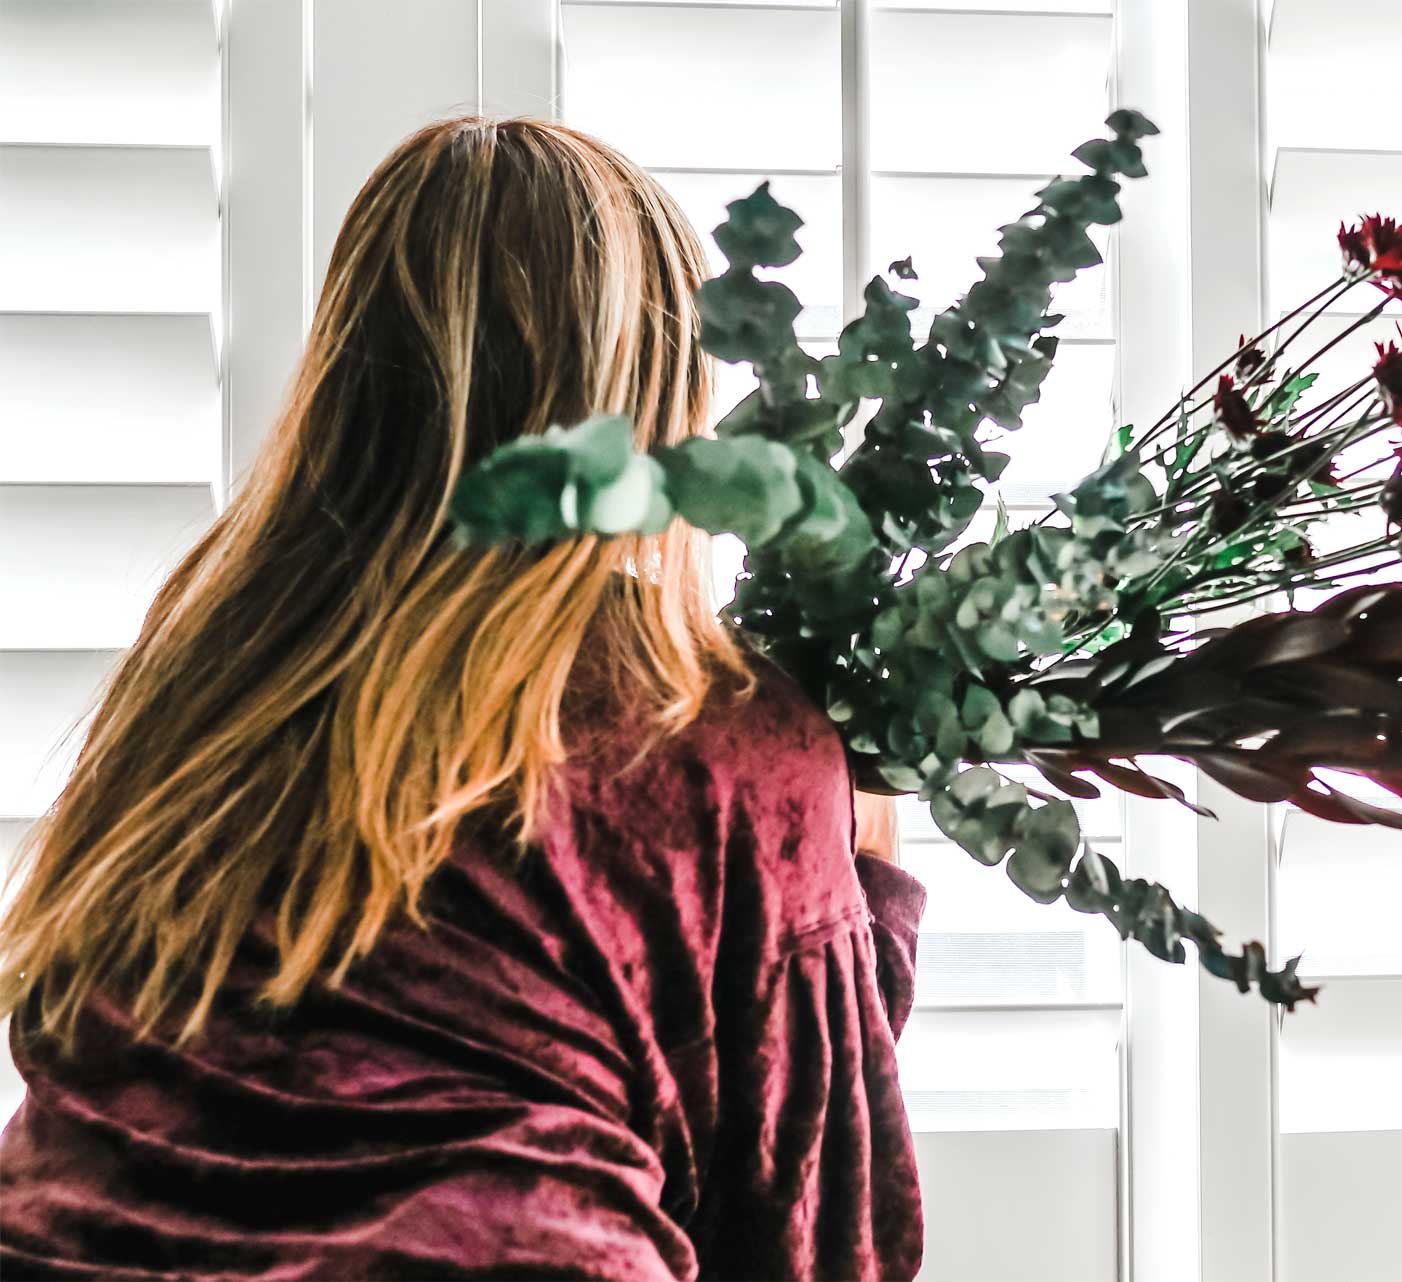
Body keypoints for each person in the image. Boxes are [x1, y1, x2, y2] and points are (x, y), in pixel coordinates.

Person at [0, 117, 925, 1281]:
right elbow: (819, 1233)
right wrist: (862, 875)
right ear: (659, 393)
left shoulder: (209, 678)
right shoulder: (706, 728)